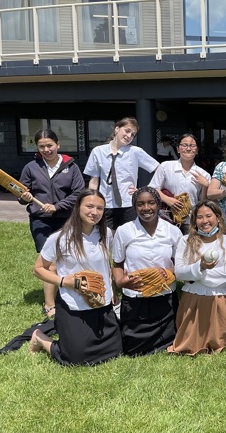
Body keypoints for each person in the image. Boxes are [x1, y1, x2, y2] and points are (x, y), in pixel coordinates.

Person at [29, 189, 122, 365]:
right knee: (75, 358)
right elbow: (39, 268)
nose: (94, 212)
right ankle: (40, 338)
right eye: (89, 206)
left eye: (100, 208)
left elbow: (106, 265)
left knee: (115, 351)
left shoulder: (106, 234)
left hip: (101, 301)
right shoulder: (60, 238)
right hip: (73, 303)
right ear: (78, 207)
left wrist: (112, 290)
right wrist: (64, 282)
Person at [19, 128, 85, 320]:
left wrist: (57, 206)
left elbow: (78, 193)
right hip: (40, 220)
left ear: (58, 145)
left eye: (50, 145)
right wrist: (25, 197)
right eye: (42, 147)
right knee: (49, 262)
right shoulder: (31, 167)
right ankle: (49, 304)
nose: (46, 149)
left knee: (67, 258)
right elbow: (22, 194)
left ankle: (68, 293)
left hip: (66, 218)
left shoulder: (71, 166)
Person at [112, 187, 182, 356]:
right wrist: (121, 282)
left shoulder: (172, 230)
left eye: (151, 203)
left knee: (169, 342)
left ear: (158, 204)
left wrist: (170, 272)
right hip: (136, 297)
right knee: (132, 349)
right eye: (140, 204)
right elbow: (117, 263)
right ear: (134, 207)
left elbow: (182, 262)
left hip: (165, 297)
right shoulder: (124, 231)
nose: (146, 208)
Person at [168, 200, 226, 355]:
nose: (204, 221)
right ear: (194, 220)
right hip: (192, 299)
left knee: (220, 340)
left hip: (218, 298)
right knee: (190, 342)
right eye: (199, 217)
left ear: (218, 218)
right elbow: (179, 272)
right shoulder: (185, 240)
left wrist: (194, 276)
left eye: (209, 216)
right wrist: (200, 267)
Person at [84, 117, 160, 230]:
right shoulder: (98, 151)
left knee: (129, 236)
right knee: (103, 237)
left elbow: (159, 169)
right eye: (127, 131)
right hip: (105, 203)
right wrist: (92, 200)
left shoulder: (135, 152)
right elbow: (94, 180)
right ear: (116, 129)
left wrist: (146, 189)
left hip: (128, 203)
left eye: (133, 134)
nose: (129, 136)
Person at [149, 133, 210, 233]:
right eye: (184, 145)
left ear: (197, 150)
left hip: (190, 221)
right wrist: (168, 200)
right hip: (166, 218)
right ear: (178, 149)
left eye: (192, 146)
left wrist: (205, 186)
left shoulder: (204, 175)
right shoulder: (166, 166)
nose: (188, 148)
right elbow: (152, 189)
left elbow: (203, 203)